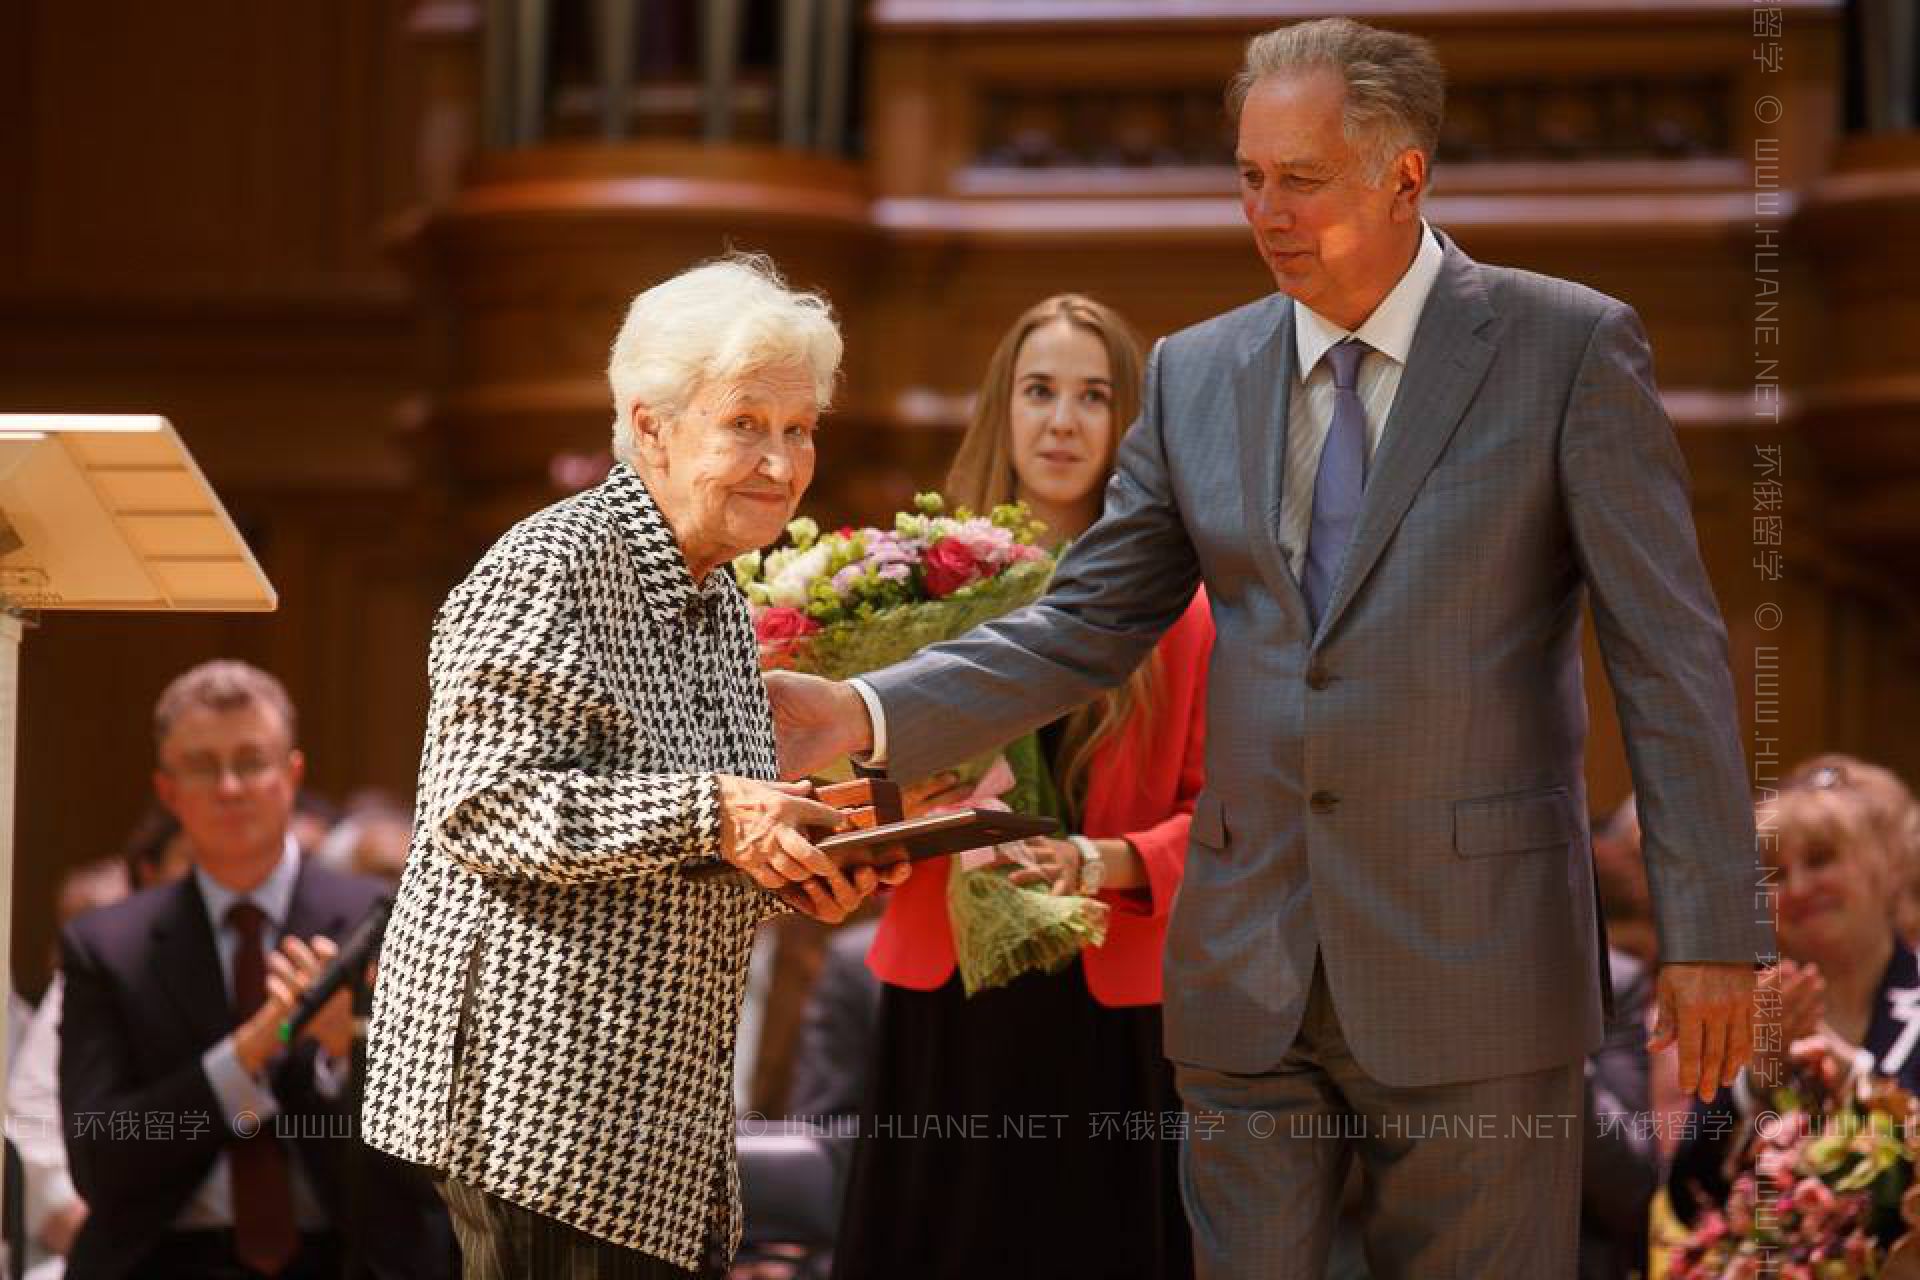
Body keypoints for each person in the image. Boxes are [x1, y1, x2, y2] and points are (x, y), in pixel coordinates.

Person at [767, 18, 1762, 1277]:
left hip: (1480, 953)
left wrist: (1713, 927)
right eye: (1248, 175)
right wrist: (860, 712)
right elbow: (1089, 619)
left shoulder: (1566, 348)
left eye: (1302, 179)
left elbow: (1667, 653)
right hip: (1247, 960)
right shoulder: (1195, 372)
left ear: (1405, 175)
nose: (1266, 211)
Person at [362, 253, 905, 1280]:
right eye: (746, 423)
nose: (782, 464)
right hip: (544, 1109)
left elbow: (686, 844)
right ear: (651, 424)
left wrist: (807, 863)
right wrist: (720, 813)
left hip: (659, 1121)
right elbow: (483, 807)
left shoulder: (718, 601)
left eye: (800, 432)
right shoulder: (552, 563)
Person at [826, 294, 1208, 1280]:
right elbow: (847, 803)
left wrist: (1106, 858)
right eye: (1039, 390)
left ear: (1133, 423)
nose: (1063, 420)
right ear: (1004, 408)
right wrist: (916, 803)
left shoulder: (1190, 605)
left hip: (1116, 1007)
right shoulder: (913, 593)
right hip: (949, 999)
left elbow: (1233, 816)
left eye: (1095, 395)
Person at [57, 660, 451, 1279]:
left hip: (348, 1259)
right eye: (203, 766)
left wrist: (351, 1051)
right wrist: (250, 1050)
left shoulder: (384, 920)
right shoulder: (107, 945)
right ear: (167, 791)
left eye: (250, 761)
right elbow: (99, 1160)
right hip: (165, 1261)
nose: (230, 787)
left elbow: (441, 1162)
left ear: (292, 774)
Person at [1671, 757, 1920, 1219]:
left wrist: (1854, 1078)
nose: (1799, 888)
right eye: (1776, 875)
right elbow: (1689, 1198)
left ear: (1889, 868)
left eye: (1821, 859)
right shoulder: (1746, 1015)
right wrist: (1757, 1082)